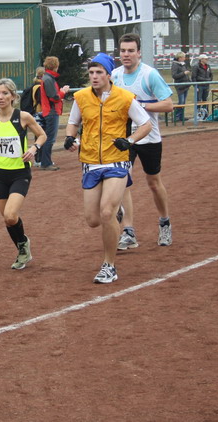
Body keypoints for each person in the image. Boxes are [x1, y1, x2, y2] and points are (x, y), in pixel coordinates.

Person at [64, 54, 152, 283]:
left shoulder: (125, 98)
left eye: (99, 72)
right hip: (90, 162)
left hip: (117, 162)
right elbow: (73, 122)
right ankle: (116, 210)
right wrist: (70, 137)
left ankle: (109, 266)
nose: (94, 76)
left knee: (105, 213)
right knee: (93, 220)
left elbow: (146, 124)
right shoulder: (81, 97)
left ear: (108, 74)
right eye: (91, 72)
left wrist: (130, 141)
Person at [110, 33, 175, 248]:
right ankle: (128, 231)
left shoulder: (150, 75)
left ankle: (164, 222)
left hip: (149, 137)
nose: (126, 55)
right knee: (122, 180)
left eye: (131, 51)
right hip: (125, 139)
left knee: (153, 182)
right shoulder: (115, 76)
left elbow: (168, 105)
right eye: (123, 51)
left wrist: (140, 106)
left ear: (139, 53)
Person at [0, 78, 47, 270]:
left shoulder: (23, 117)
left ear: (13, 96)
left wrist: (34, 148)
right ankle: (22, 246)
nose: (1, 97)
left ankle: (22, 248)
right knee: (9, 220)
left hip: (19, 172)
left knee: (10, 215)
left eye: (5, 93)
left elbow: (42, 135)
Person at [38, 56, 70, 170]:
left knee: (47, 137)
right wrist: (63, 92)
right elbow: (54, 97)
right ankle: (46, 163)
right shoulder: (49, 79)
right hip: (51, 111)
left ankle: (44, 161)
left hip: (49, 111)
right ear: (56, 66)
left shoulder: (47, 78)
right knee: (50, 138)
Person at [171, 51, 191, 122]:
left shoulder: (183, 64)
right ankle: (176, 116)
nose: (184, 58)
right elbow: (174, 75)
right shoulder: (175, 65)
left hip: (185, 85)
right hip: (180, 85)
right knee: (181, 101)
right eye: (183, 57)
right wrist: (183, 73)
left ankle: (181, 116)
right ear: (179, 58)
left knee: (183, 102)